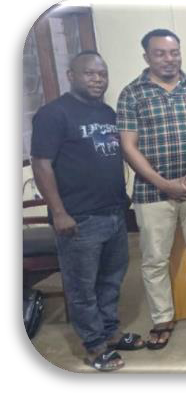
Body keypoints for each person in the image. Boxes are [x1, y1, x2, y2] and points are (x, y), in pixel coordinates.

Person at [31, 51, 144, 371]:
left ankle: (109, 333)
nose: (98, 79)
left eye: (102, 74)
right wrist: (59, 211)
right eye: (90, 74)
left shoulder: (108, 113)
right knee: (82, 288)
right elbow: (41, 165)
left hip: (112, 213)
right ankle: (94, 346)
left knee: (111, 280)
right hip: (78, 218)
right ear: (71, 75)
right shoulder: (54, 114)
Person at [118, 29, 186, 350]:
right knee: (154, 259)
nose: (169, 59)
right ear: (147, 57)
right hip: (153, 193)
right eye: (161, 53)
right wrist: (163, 183)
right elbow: (129, 146)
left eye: (174, 52)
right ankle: (162, 319)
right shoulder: (132, 93)